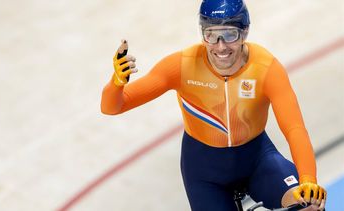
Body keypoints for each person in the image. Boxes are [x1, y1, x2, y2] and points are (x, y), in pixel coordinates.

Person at [101, 0, 327, 210]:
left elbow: (294, 128)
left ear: (244, 33)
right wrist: (117, 83)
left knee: (309, 204)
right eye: (211, 35)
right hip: (205, 173)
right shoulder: (182, 66)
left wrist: (308, 179)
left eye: (230, 34)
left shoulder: (266, 68)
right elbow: (112, 107)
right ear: (202, 35)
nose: (220, 47)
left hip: (258, 160)